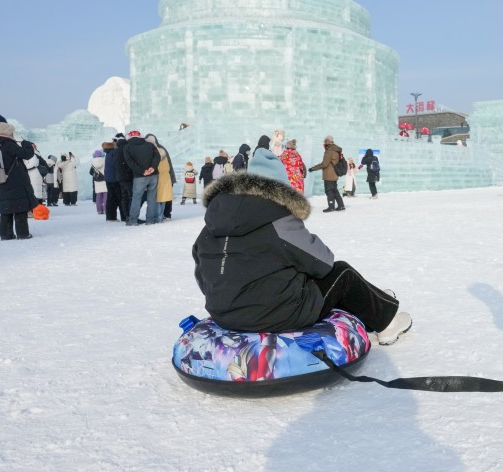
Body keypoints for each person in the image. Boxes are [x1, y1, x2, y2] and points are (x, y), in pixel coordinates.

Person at [192, 159, 412, 345]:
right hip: (275, 315)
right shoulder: (278, 220)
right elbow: (323, 262)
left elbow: (202, 275)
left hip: (223, 313)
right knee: (342, 275)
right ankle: (387, 323)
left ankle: (376, 296)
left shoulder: (210, 227)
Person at [0, 122, 38, 240]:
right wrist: (27, 144)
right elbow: (26, 154)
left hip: (1, 179)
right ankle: (23, 233)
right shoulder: (7, 144)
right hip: (15, 180)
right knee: (20, 208)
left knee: (6, 209)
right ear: (6, 132)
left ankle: (6, 235)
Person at [123, 130, 161, 226]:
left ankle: (133, 221)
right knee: (152, 198)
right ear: (140, 136)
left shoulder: (127, 147)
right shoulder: (150, 145)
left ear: (129, 137)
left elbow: (130, 162)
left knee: (136, 198)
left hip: (139, 176)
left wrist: (142, 171)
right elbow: (157, 156)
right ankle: (150, 220)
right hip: (153, 175)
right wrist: (152, 167)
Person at [308, 135, 345, 212]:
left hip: (329, 175)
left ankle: (331, 206)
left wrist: (313, 168)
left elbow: (324, 164)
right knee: (334, 190)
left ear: (328, 141)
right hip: (334, 174)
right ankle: (341, 205)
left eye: (325, 142)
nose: (324, 144)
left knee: (329, 190)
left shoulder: (329, 151)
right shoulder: (336, 150)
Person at [146, 134, 175, 222]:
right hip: (166, 176)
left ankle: (159, 216)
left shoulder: (155, 151)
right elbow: (168, 165)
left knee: (158, 197)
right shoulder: (162, 149)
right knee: (163, 197)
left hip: (159, 176)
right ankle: (162, 215)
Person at [89, 149, 108, 214]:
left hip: (97, 181)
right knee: (106, 196)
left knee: (98, 196)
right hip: (104, 180)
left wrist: (95, 175)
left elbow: (91, 172)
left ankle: (99, 210)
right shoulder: (105, 160)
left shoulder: (93, 163)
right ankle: (105, 209)